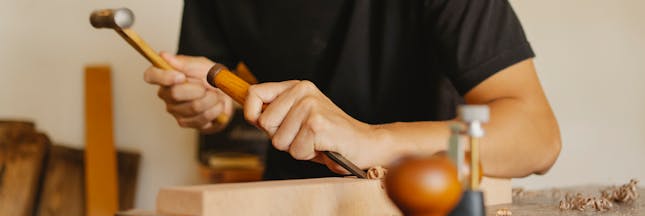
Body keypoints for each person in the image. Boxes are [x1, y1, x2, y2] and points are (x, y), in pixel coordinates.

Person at [143, 0, 561, 180]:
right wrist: (209, 108)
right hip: (293, 211)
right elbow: (215, 102)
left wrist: (372, 140)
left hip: (427, 207)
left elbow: (538, 136)